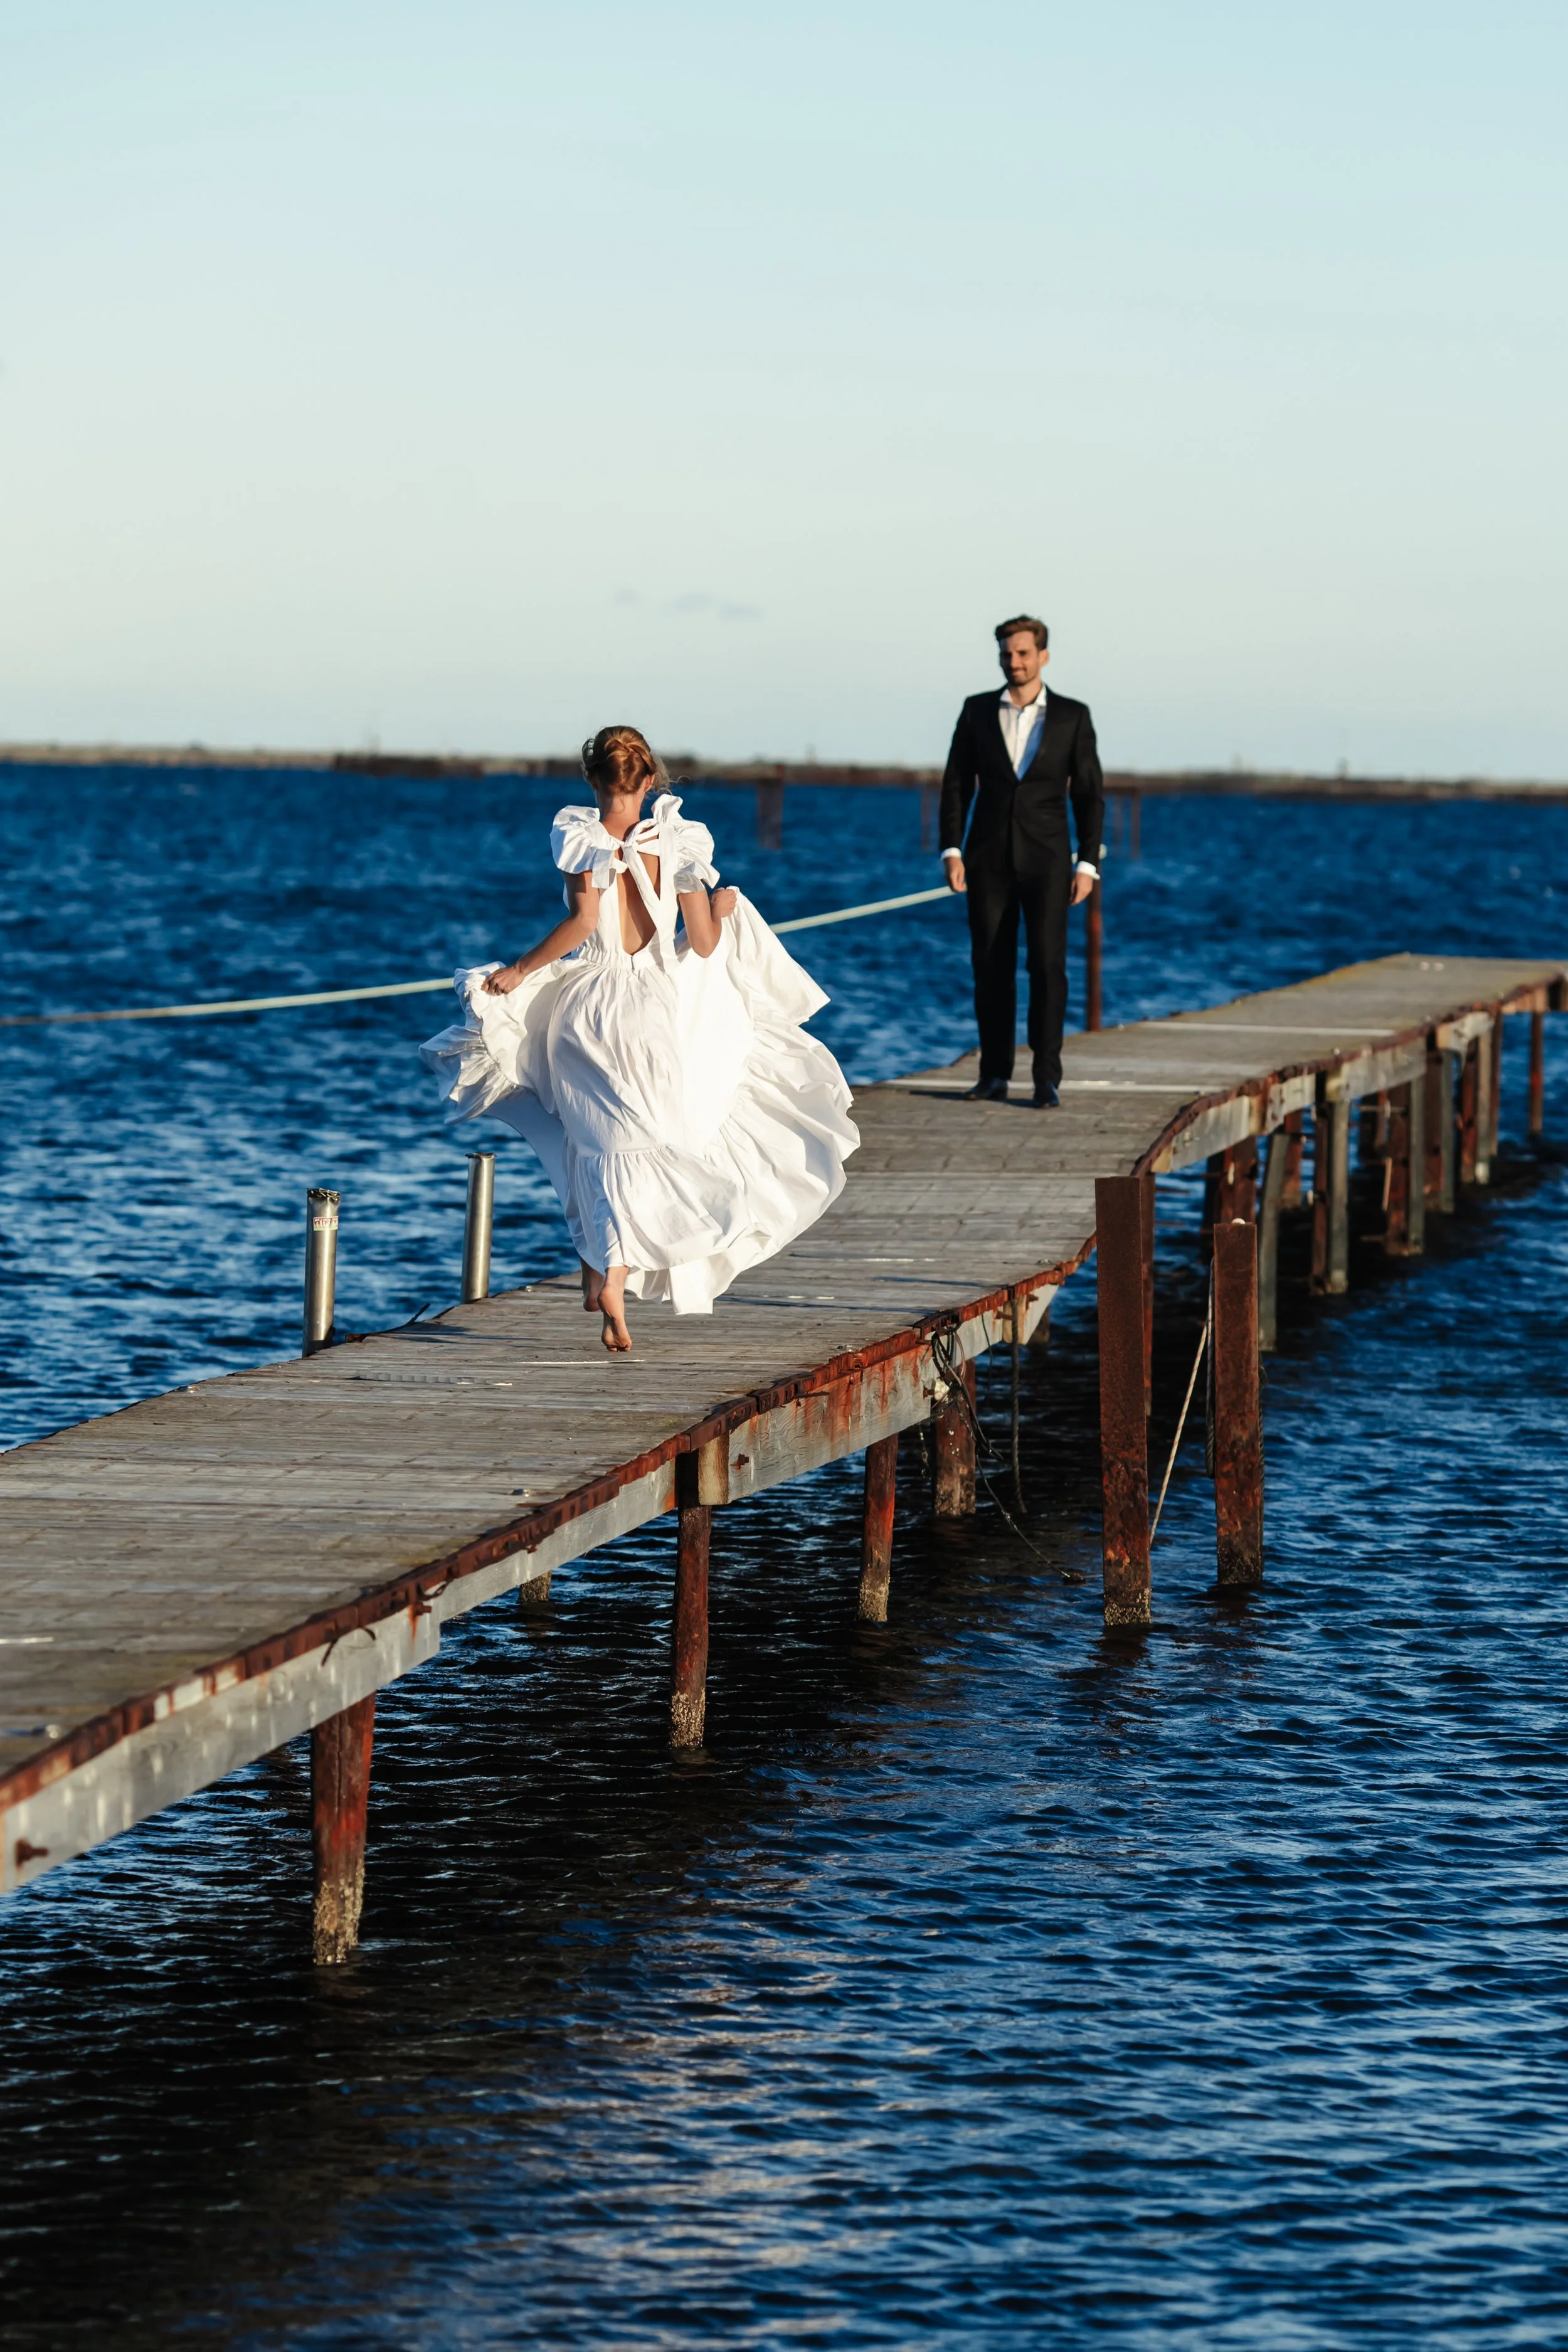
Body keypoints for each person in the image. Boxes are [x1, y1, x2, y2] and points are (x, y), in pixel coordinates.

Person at [421, 725, 858, 1352]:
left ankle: (601, 1272)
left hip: (586, 1009)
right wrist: (723, 908)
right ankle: (612, 1276)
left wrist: (518, 971)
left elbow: (581, 923)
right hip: (649, 1012)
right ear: (649, 781)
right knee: (639, 1143)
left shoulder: (579, 835)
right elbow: (703, 944)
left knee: (591, 1143)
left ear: (594, 782)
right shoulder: (678, 842)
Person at [938, 615, 1104, 1106]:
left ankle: (1046, 1078)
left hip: (1049, 861)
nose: (1014, 661)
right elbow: (955, 785)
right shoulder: (976, 712)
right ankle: (993, 1075)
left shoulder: (1074, 716)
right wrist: (951, 849)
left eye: (1024, 653)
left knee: (1048, 968)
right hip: (986, 858)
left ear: (1043, 657)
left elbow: (1091, 795)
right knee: (990, 967)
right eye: (1007, 654)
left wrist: (1088, 864)